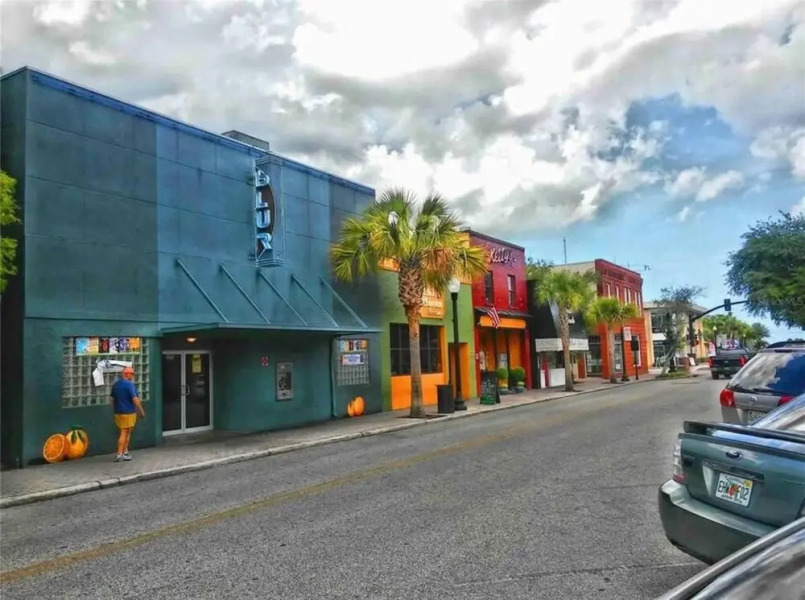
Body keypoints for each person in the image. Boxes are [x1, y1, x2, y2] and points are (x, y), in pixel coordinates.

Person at [109, 366, 145, 462]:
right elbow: (135, 399)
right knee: (125, 432)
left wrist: (115, 409)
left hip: (118, 412)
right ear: (126, 374)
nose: (133, 376)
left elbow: (111, 399)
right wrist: (141, 411)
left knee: (126, 431)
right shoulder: (129, 385)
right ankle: (119, 454)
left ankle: (125, 451)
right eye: (131, 374)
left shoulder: (116, 385)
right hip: (128, 412)